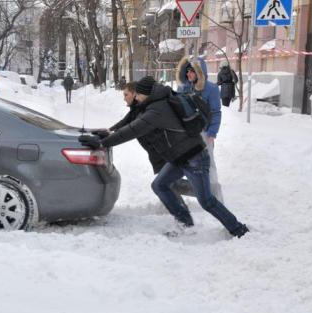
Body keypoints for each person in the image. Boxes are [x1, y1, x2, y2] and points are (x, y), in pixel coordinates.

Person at [79, 76, 248, 238]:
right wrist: (106, 134)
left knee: (207, 201)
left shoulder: (157, 110)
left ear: (145, 93)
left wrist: (103, 144)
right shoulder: (152, 105)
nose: (135, 97)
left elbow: (134, 130)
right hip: (180, 158)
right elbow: (130, 122)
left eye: (137, 94)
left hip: (194, 157)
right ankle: (185, 224)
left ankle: (238, 229)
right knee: (160, 185)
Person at [176, 56, 224, 202]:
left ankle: (215, 194)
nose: (188, 75)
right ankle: (191, 190)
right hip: (187, 133)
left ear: (199, 72)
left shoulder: (211, 89)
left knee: (208, 163)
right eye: (187, 71)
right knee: (185, 162)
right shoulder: (183, 88)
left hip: (204, 133)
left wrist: (212, 133)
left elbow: (216, 112)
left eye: (192, 71)